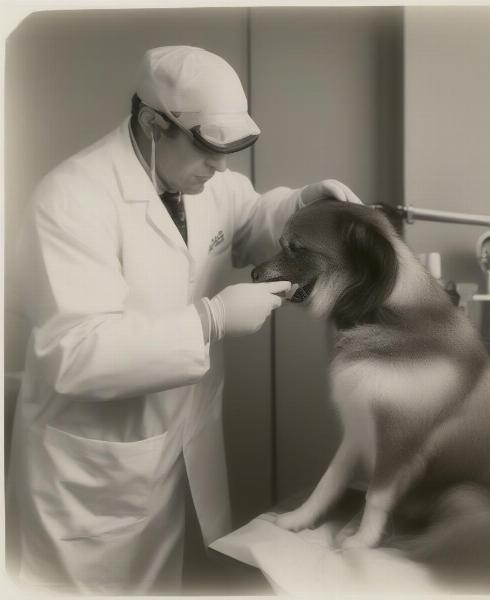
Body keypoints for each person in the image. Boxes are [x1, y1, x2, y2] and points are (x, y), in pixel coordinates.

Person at [6, 45, 361, 594]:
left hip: (170, 452)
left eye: (229, 150)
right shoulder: (70, 198)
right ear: (152, 123)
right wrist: (208, 322)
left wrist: (301, 204)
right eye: (207, 150)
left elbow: (250, 218)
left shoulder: (198, 177)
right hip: (91, 479)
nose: (221, 167)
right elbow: (74, 354)